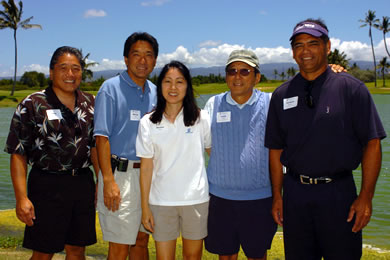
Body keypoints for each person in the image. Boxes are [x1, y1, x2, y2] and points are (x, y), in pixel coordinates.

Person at [265, 18, 387, 260]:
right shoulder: (281, 95)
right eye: (298, 45)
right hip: (295, 195)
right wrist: (278, 196)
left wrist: (366, 197)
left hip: (339, 195)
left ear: (328, 46)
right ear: (292, 52)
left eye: (313, 43)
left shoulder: (351, 89)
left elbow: (372, 144)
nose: (305, 51)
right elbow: (276, 151)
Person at [4, 46, 99, 260]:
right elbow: (18, 153)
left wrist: (101, 180)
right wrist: (21, 198)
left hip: (82, 184)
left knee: (77, 250)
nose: (70, 74)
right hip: (46, 186)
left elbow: (96, 147)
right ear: (51, 72)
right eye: (63, 68)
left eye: (76, 68)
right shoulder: (32, 104)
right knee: (43, 252)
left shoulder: (91, 104)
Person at [204, 49, 277, 260]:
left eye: (245, 71)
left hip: (260, 199)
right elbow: (208, 145)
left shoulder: (271, 103)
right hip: (220, 199)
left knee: (257, 255)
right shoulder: (213, 104)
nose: (237, 77)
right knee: (226, 255)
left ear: (257, 77)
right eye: (232, 71)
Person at [136, 60, 211, 259]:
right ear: (160, 86)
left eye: (179, 81)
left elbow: (213, 153)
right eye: (167, 81)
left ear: (187, 86)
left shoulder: (201, 118)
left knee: (192, 257)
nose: (173, 87)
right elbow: (146, 168)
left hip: (196, 199)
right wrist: (145, 208)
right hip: (161, 201)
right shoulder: (148, 122)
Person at [94, 32, 158, 260]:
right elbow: (101, 138)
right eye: (136, 54)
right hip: (120, 176)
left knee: (142, 240)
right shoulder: (110, 89)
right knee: (120, 246)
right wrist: (108, 180)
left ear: (155, 60)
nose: (143, 61)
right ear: (125, 58)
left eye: (148, 55)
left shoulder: (155, 92)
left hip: (149, 177)